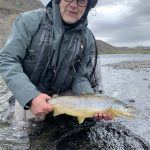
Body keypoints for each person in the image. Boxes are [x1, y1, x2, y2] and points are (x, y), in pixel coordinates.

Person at [0, 0, 112, 122]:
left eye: (81, 0)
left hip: (65, 95)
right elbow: (7, 59)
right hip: (30, 91)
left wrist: (92, 103)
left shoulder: (87, 38)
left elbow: (80, 77)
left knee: (87, 121)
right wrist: (30, 97)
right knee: (24, 134)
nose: (74, 5)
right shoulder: (29, 20)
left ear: (88, 6)